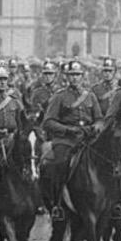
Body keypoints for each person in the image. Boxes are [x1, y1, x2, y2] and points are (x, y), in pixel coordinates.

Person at [41, 61, 103, 220]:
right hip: (66, 140)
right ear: (66, 77)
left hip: (88, 139)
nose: (75, 78)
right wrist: (68, 129)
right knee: (59, 164)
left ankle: (113, 201)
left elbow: (99, 119)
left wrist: (95, 127)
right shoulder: (59, 96)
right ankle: (58, 204)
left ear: (82, 76)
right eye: (71, 75)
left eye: (77, 75)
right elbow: (48, 122)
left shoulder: (90, 96)